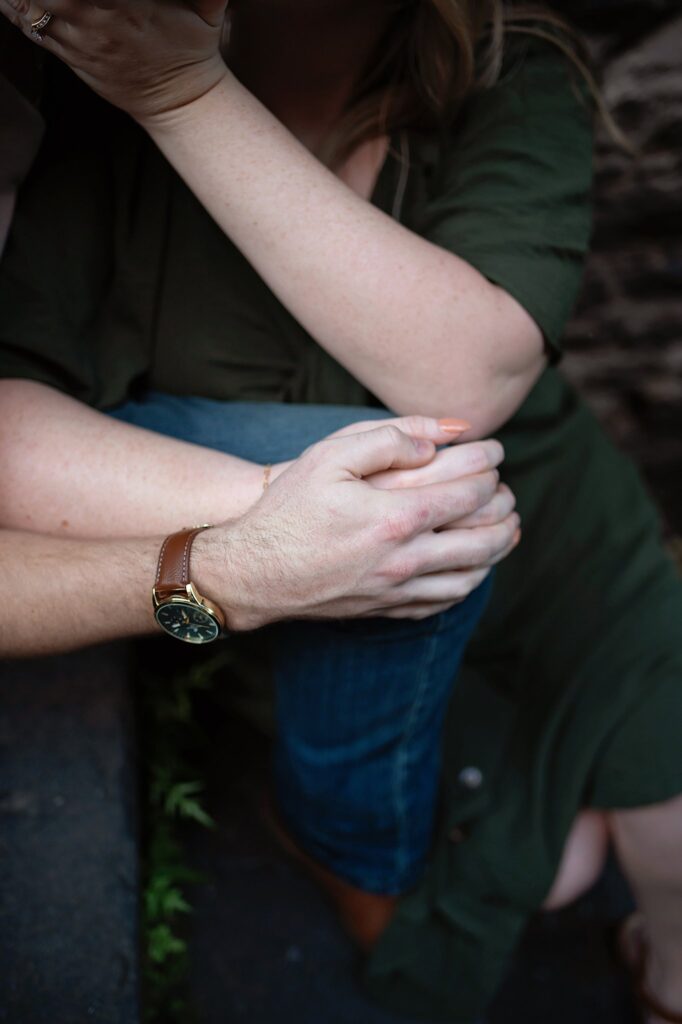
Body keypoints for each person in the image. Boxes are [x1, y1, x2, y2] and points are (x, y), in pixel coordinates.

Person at [0, 1, 681, 1021]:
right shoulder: (96, 69)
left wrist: (187, 97)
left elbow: (468, 377)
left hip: (555, 534)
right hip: (351, 601)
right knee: (547, 872)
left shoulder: (512, 56)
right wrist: (309, 527)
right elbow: (12, 432)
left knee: (669, 831)